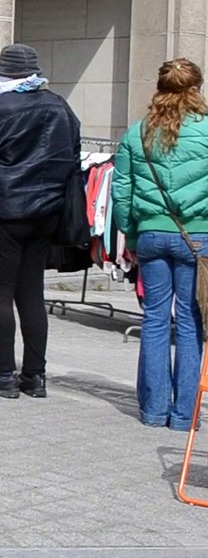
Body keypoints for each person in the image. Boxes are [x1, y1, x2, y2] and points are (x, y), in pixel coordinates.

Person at [0, 43, 80, 400]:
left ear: (1, 73)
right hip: (45, 213)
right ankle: (35, 376)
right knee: (31, 293)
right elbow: (72, 152)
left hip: (1, 210)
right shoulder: (59, 106)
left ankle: (3, 373)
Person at [113, 58, 208, 432]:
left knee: (154, 320)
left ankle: (153, 409)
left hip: (151, 234)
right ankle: (185, 414)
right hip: (197, 237)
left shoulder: (138, 133)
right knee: (190, 321)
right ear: (196, 88)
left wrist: (131, 235)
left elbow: (122, 192)